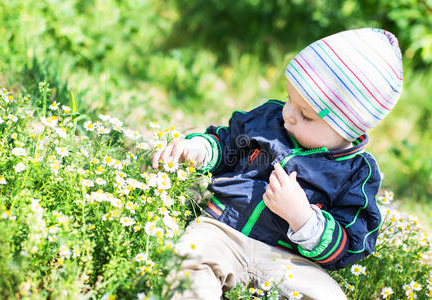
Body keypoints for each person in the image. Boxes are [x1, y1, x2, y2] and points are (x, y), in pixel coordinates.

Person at [153, 28, 403, 299]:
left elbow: (351, 244)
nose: (289, 115)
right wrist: (197, 150)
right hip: (223, 230)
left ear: (349, 129)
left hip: (291, 262)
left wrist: (303, 218)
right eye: (289, 99)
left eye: (306, 115)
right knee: (190, 262)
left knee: (328, 295)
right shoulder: (268, 120)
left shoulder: (356, 173)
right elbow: (227, 146)